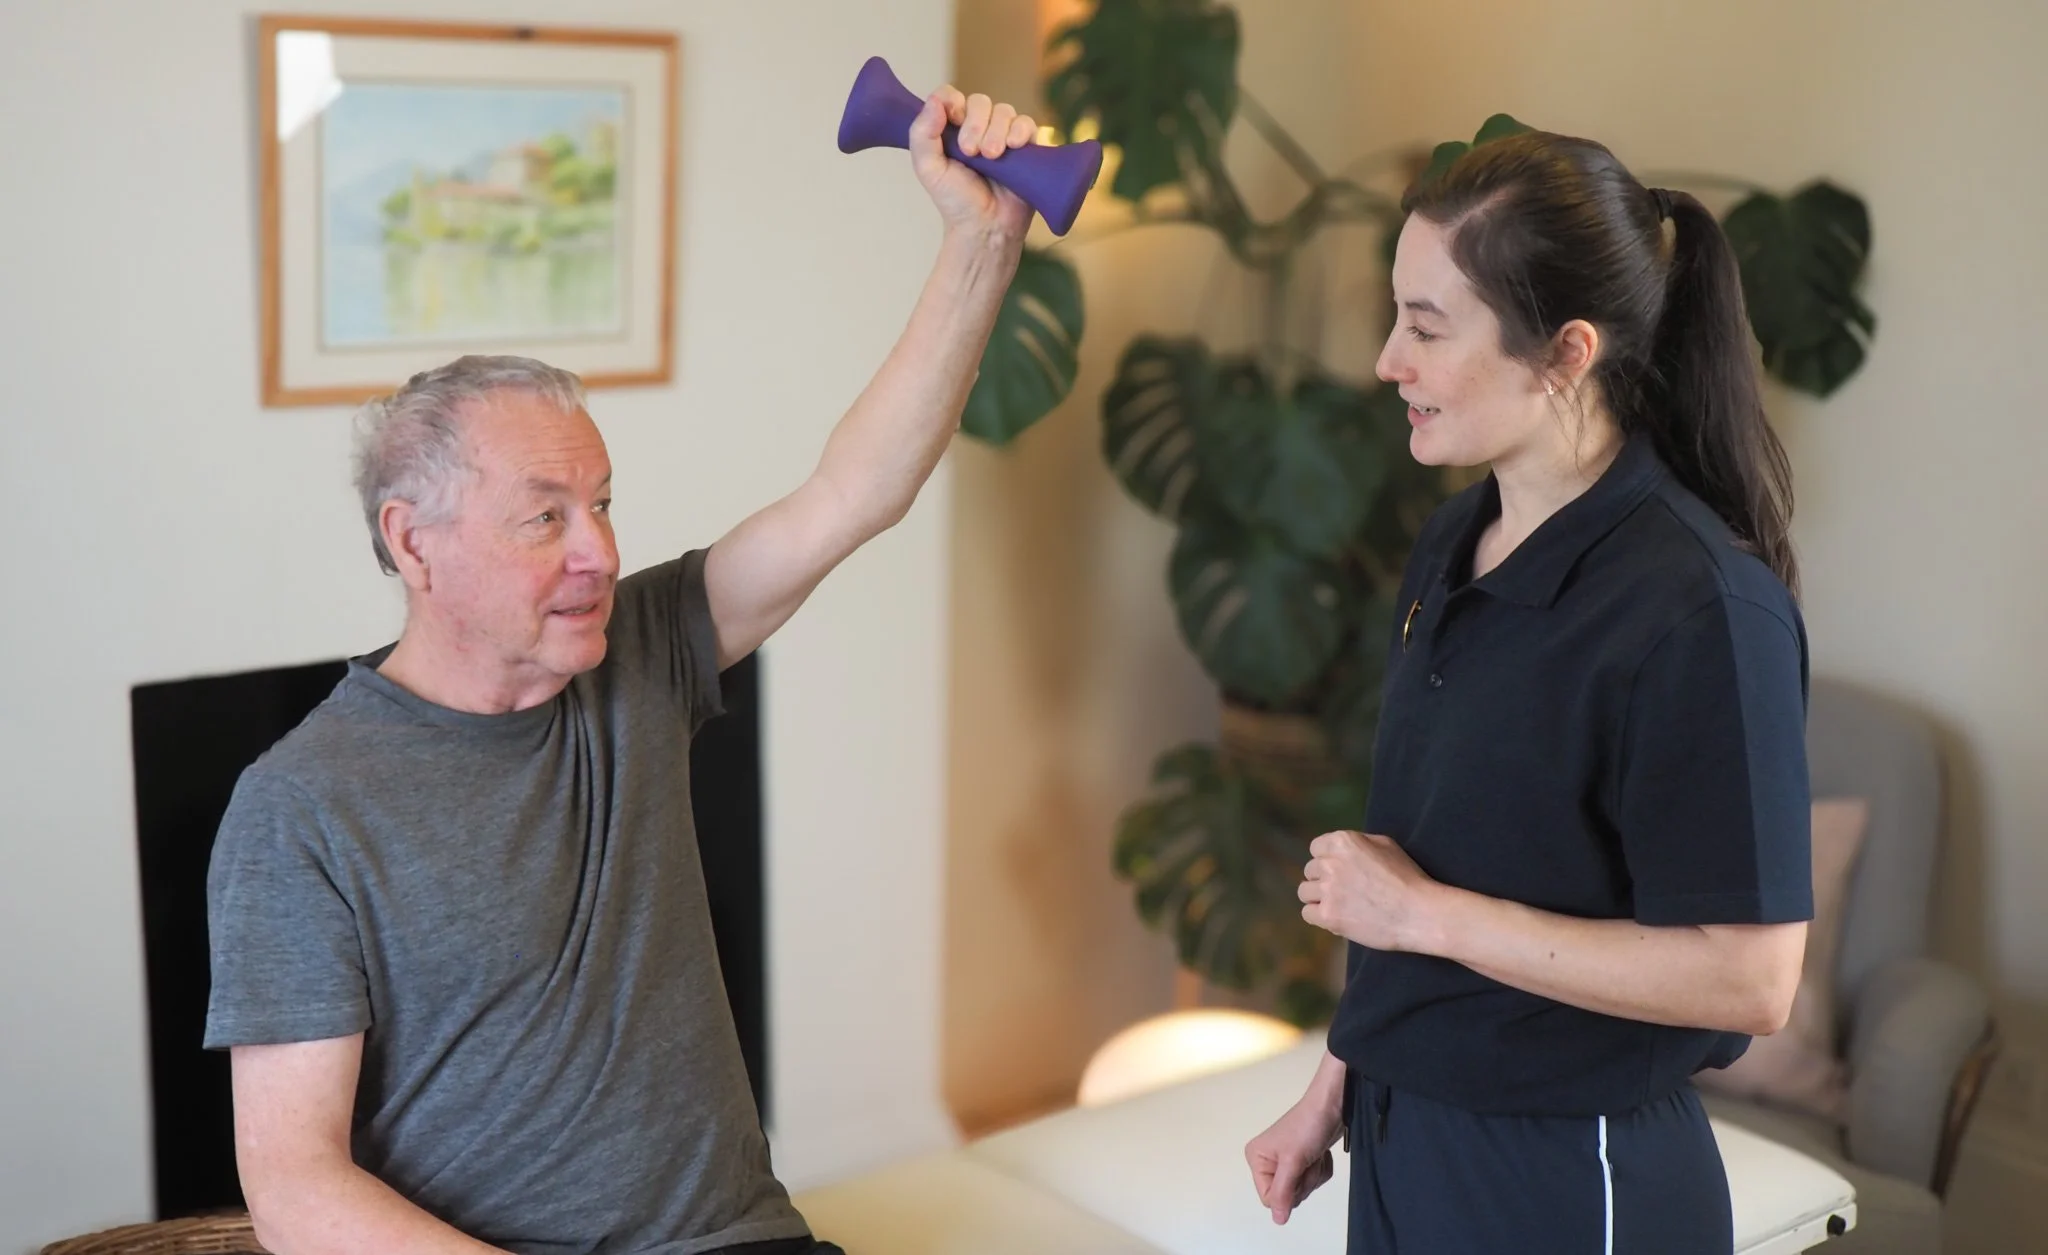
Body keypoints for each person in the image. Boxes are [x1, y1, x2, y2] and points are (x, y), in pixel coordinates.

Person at [203, 86, 1040, 1255]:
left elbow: (856, 494)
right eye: (544, 518)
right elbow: (295, 1185)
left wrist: (980, 239)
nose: (599, 551)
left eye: (600, 504)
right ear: (413, 542)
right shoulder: (300, 807)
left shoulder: (641, 651)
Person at [1245, 130, 1815, 1253]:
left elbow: (1749, 979)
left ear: (1564, 352)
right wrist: (1337, 1079)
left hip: (1568, 1176)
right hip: (1403, 1138)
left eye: (1423, 326)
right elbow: (1429, 847)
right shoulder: (1455, 540)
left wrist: (1422, 916)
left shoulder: (1701, 610)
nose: (1382, 362)